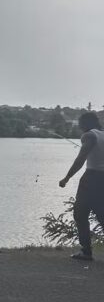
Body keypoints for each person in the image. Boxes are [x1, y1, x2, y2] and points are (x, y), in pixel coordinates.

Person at [59, 112, 104, 261]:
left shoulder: (89, 136)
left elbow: (81, 159)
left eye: (80, 123)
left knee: (80, 213)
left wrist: (66, 178)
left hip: (92, 178)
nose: (78, 126)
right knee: (101, 214)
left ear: (85, 123)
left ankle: (86, 252)